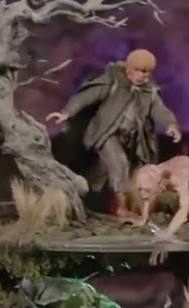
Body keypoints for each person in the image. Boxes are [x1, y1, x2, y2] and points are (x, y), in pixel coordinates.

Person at [46, 49, 181, 215]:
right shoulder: (112, 81)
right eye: (139, 70)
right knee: (119, 162)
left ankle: (98, 200)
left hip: (131, 137)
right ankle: (121, 208)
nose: (142, 76)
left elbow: (160, 110)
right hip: (106, 134)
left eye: (146, 72)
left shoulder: (149, 91)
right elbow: (86, 97)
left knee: (108, 170)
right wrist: (67, 112)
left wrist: (170, 124)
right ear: (129, 68)